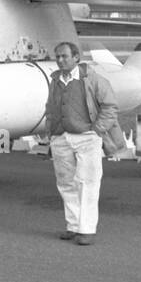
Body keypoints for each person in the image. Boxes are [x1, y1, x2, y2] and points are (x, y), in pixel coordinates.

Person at [43, 41, 120, 246]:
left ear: (77, 57)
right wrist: (51, 133)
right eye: (57, 56)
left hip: (87, 137)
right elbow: (50, 106)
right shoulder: (55, 80)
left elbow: (110, 107)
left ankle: (86, 230)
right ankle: (73, 225)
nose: (60, 60)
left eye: (64, 56)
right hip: (61, 137)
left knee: (87, 182)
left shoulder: (94, 80)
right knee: (66, 183)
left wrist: (97, 131)